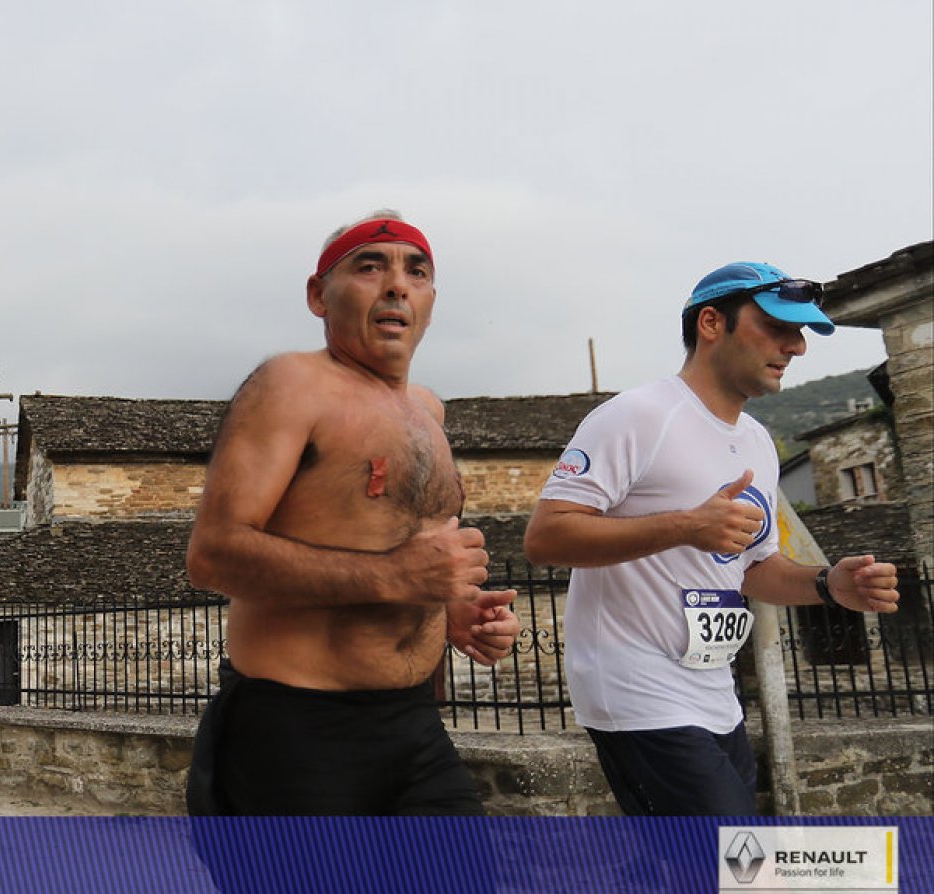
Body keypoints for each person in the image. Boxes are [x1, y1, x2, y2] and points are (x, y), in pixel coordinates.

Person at [523, 261, 901, 816]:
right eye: (776, 327)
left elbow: (751, 569)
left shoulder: (758, 442)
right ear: (710, 323)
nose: (795, 347)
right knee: (736, 864)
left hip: (716, 696)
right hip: (637, 691)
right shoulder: (638, 416)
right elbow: (545, 538)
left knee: (702, 871)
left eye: (799, 333)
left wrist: (828, 585)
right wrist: (685, 526)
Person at [184, 210, 521, 816]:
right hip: (296, 733)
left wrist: (454, 608)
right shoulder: (291, 384)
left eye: (416, 272)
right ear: (319, 295)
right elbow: (213, 555)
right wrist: (396, 577)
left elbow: (411, 554)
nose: (397, 286)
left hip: (415, 727)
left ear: (431, 299)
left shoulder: (428, 412)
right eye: (370, 267)